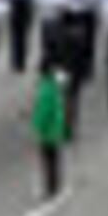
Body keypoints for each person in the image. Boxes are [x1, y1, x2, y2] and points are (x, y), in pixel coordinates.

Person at [30, 58, 71, 200]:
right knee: (54, 159)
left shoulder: (46, 89)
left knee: (48, 160)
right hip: (56, 129)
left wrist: (36, 126)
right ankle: (54, 186)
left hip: (48, 131)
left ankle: (50, 188)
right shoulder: (56, 86)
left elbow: (43, 111)